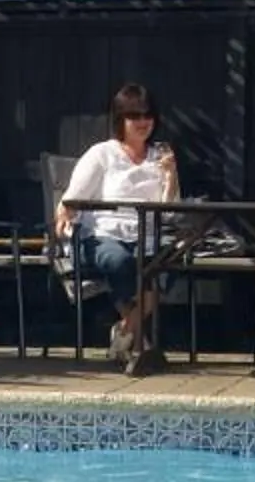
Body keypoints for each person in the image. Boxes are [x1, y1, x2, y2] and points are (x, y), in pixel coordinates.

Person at [54, 82, 178, 367]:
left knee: (170, 259)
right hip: (102, 234)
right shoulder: (102, 154)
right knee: (119, 260)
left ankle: (125, 329)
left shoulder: (160, 155)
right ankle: (136, 332)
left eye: (148, 116)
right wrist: (64, 213)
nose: (142, 123)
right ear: (120, 119)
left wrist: (170, 176)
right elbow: (74, 196)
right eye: (134, 116)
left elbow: (169, 211)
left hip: (147, 234)